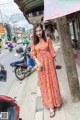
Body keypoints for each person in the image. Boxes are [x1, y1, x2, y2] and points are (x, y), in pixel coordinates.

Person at [31, 23, 62, 118]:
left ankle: (56, 102)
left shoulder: (47, 39)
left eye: (40, 30)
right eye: (36, 31)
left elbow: (52, 52)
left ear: (42, 30)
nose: (38, 32)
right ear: (34, 32)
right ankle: (50, 106)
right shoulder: (33, 42)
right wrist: (37, 62)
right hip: (41, 67)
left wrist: (54, 62)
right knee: (45, 85)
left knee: (52, 82)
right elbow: (33, 54)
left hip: (49, 65)